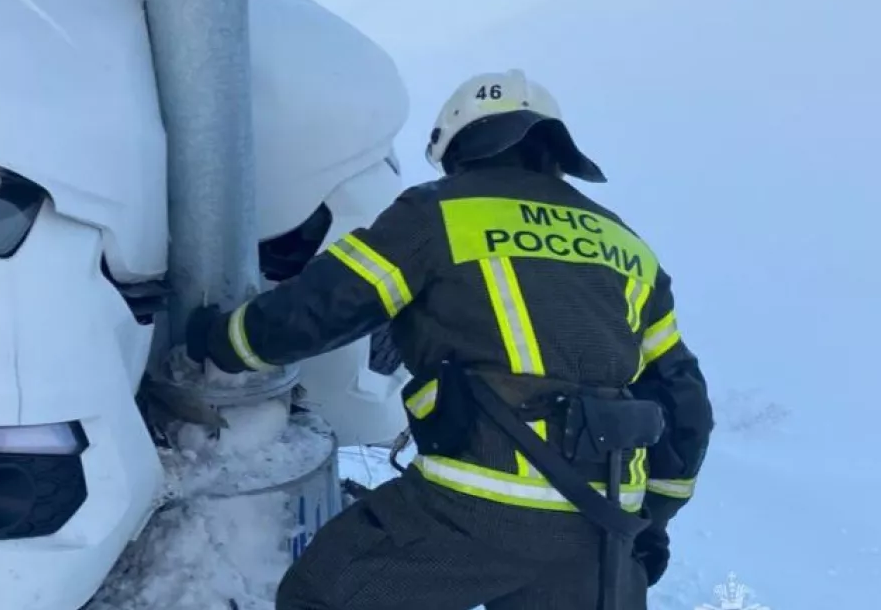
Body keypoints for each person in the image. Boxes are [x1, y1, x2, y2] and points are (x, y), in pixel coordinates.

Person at [187, 70, 713, 610]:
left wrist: (225, 340)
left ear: (458, 147)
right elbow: (683, 399)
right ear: (555, 150)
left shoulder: (439, 212)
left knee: (322, 595)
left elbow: (328, 302)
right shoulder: (627, 244)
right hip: (602, 525)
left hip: (479, 506)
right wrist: (651, 522)